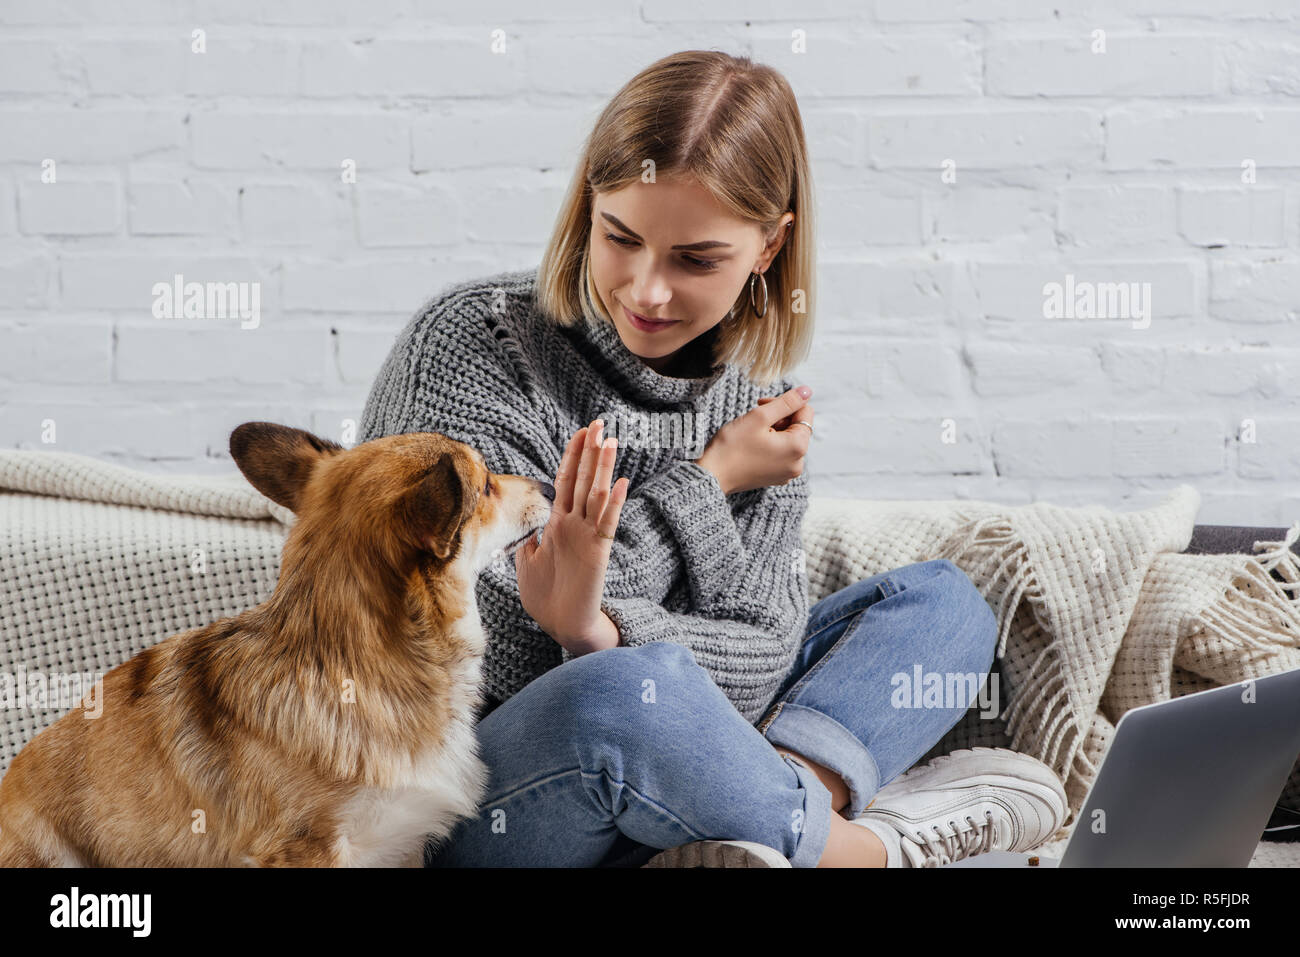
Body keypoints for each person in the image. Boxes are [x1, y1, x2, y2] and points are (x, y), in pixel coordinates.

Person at [357, 50, 1067, 868]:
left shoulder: (758, 402)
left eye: (696, 260)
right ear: (588, 203)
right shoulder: (477, 347)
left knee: (945, 606)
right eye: (619, 236)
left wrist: (599, 622)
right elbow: (468, 653)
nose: (646, 291)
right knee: (617, 695)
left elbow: (762, 652)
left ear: (769, 247)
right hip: (480, 793)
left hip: (675, 757)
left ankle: (751, 821)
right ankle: (853, 851)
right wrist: (708, 482)